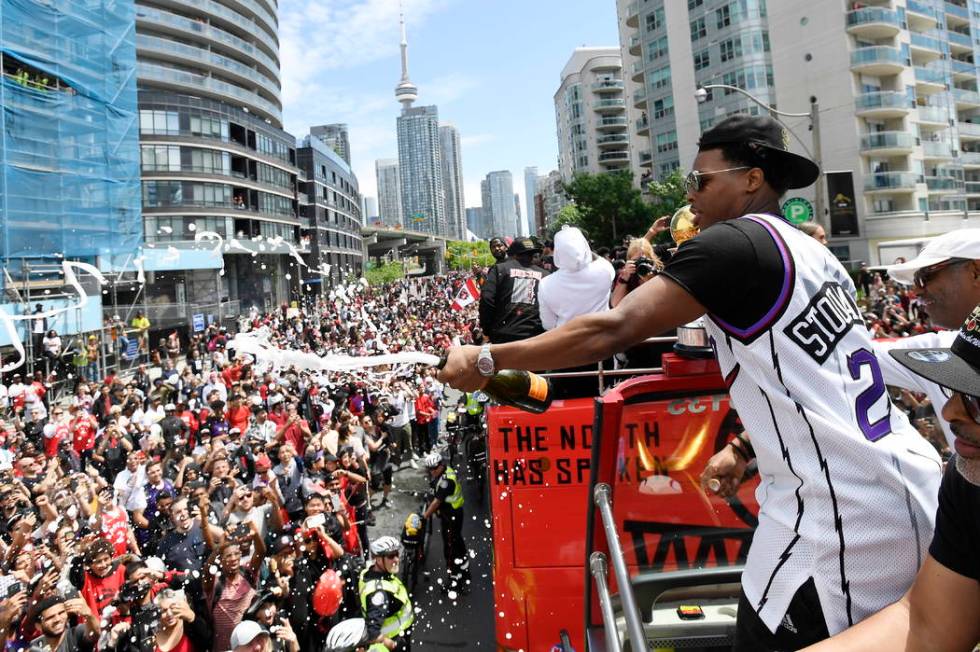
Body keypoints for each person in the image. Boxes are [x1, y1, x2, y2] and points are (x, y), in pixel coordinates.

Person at [438, 114, 943, 650]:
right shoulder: (814, 252)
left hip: (839, 518)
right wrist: (744, 447)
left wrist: (485, 360)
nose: (690, 195)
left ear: (751, 180)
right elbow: (825, 381)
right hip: (903, 486)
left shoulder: (732, 242)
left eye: (701, 181)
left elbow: (616, 327)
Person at [804, 304, 980, 650]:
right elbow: (924, 625)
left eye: (975, 400)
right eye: (952, 390)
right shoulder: (969, 483)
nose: (949, 412)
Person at [538, 225, 613, 329]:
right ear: (585, 246)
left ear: (557, 252)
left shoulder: (545, 285)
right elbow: (599, 260)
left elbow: (548, 325)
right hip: (602, 338)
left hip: (568, 342)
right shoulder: (605, 271)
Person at [479, 237, 549, 344]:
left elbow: (486, 299)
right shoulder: (545, 275)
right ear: (532, 254)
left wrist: (487, 330)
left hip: (504, 337)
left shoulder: (499, 269)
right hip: (536, 337)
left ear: (513, 254)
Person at [421, 452, 470, 593]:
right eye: (429, 469)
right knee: (457, 541)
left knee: (450, 549)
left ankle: (455, 581)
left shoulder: (446, 482)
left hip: (450, 516)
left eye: (433, 469)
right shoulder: (446, 471)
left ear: (440, 466)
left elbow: (437, 502)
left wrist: (424, 516)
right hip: (455, 514)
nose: (431, 472)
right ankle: (464, 568)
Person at [359, 537, 413, 652]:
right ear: (378, 559)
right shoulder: (379, 594)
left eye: (397, 554)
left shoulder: (369, 571)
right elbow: (373, 632)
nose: (397, 559)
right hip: (392, 642)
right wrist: (390, 644)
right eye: (391, 556)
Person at [27, 595, 99, 652]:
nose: (57, 619)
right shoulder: (35, 647)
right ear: (38, 626)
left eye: (61, 613)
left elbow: (95, 634)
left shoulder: (76, 634)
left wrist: (89, 615)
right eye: (50, 617)